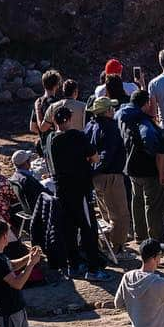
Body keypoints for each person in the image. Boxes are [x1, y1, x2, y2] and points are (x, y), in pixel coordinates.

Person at [50, 106, 111, 281]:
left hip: (62, 189)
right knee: (88, 228)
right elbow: (95, 158)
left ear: (54, 121)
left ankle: (74, 264)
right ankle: (93, 268)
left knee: (69, 228)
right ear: (69, 119)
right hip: (80, 188)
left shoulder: (51, 139)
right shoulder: (77, 136)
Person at [118, 90, 164, 243]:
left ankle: (140, 236)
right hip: (148, 170)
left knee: (137, 202)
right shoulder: (142, 121)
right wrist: (156, 156)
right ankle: (155, 239)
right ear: (145, 104)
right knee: (152, 205)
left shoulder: (123, 116)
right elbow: (149, 139)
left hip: (131, 167)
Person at [85, 97, 131, 254]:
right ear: (106, 112)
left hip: (97, 177)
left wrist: (92, 171)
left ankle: (106, 246)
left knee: (105, 213)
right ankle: (117, 248)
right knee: (121, 216)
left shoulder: (90, 126)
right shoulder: (110, 128)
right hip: (110, 176)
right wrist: (100, 168)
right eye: (111, 108)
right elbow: (107, 154)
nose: (113, 110)